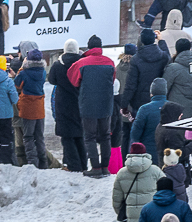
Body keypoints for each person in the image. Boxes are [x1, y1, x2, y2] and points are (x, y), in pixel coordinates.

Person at [70, 37, 117, 176]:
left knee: (89, 136)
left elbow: (74, 80)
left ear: (89, 47)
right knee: (105, 136)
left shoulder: (81, 63)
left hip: (88, 104)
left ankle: (95, 167)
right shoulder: (110, 62)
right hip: (106, 104)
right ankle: (105, 168)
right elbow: (113, 80)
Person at [50, 41, 86, 172]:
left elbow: (52, 80)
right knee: (80, 135)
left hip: (63, 103)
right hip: (80, 102)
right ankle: (83, 163)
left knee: (67, 136)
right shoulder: (82, 63)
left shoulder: (58, 65)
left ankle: (73, 165)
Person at [15, 49, 49, 168]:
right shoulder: (43, 72)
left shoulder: (24, 72)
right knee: (39, 137)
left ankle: (32, 163)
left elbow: (17, 84)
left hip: (28, 108)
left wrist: (21, 68)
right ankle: (43, 162)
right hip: (39, 108)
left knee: (28, 137)